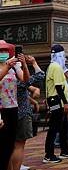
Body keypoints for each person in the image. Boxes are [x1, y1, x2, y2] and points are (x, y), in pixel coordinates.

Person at [44, 44, 68, 163]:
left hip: (56, 99)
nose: (65, 58)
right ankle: (48, 154)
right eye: (63, 56)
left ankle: (65, 150)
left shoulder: (55, 66)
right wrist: (65, 103)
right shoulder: (56, 67)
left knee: (64, 126)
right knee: (54, 127)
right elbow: (58, 87)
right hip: (57, 100)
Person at [11, 54, 44, 170]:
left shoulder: (5, 77)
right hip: (22, 113)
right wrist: (32, 63)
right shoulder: (19, 80)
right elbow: (39, 75)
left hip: (7, 114)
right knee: (19, 145)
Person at [0, 40, 29, 170]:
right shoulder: (7, 67)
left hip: (13, 108)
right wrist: (6, 66)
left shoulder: (14, 67)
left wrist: (24, 65)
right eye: (0, 51)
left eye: (5, 50)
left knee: (10, 145)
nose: (3, 53)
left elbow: (25, 80)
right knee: (3, 146)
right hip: (1, 110)